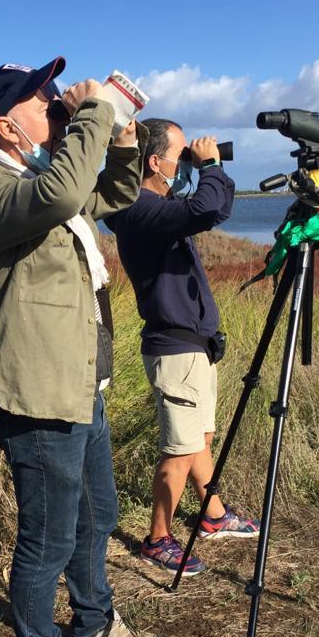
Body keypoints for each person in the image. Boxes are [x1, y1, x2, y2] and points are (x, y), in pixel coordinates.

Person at [0, 58, 163, 637]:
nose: (51, 100)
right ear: (6, 127)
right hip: (39, 394)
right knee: (45, 539)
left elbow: (113, 195)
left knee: (97, 514)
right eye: (37, 98)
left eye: (52, 92)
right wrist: (96, 111)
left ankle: (95, 626)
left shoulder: (47, 176)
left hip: (82, 382)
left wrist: (123, 136)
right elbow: (68, 197)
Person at [104, 118, 259, 578]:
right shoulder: (136, 208)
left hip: (194, 344)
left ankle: (212, 514)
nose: (183, 162)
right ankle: (158, 539)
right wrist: (209, 165)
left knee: (200, 439)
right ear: (155, 162)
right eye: (178, 155)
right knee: (178, 448)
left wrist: (205, 169)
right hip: (174, 347)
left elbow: (215, 205)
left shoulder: (159, 205)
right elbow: (207, 210)